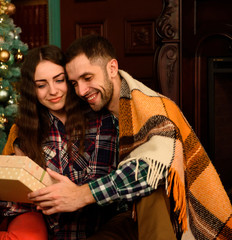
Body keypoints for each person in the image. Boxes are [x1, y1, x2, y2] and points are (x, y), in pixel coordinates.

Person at [28, 35, 232, 240]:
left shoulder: (153, 108)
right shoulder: (94, 112)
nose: (81, 91)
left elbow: (152, 169)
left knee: (151, 187)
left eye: (88, 78)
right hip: (118, 218)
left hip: (171, 215)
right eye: (74, 83)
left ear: (112, 68)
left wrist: (81, 195)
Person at [0, 45, 127, 239]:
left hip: (97, 228)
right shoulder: (23, 132)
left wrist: (66, 194)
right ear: (31, 90)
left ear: (70, 79)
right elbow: (21, 200)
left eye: (59, 80)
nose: (53, 91)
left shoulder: (101, 119)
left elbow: (99, 186)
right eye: (41, 85)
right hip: (46, 231)